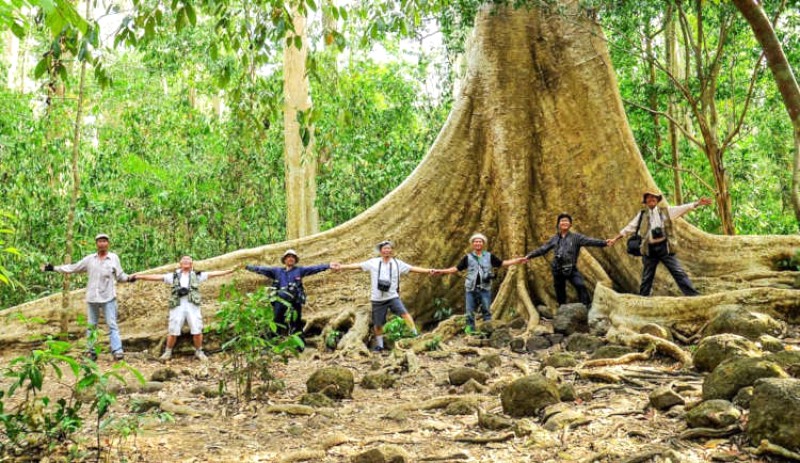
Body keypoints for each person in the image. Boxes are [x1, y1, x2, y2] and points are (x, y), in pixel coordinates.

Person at [42, 233, 135, 361]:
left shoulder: (113, 258)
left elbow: (120, 276)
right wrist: (52, 268)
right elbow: (73, 268)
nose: (102, 243)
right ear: (96, 244)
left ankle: (117, 351)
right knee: (92, 326)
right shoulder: (90, 259)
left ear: (108, 243)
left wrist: (130, 278)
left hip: (108, 297)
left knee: (112, 324)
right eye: (99, 241)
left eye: (104, 241)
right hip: (92, 298)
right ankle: (91, 351)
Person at [336, 240, 433, 352]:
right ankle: (380, 346)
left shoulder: (397, 263)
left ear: (392, 251)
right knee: (378, 324)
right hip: (377, 299)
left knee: (405, 314)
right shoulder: (374, 262)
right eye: (385, 248)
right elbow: (358, 266)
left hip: (392, 297)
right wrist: (341, 266)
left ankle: (415, 335)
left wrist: (428, 271)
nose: (387, 250)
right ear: (381, 251)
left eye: (389, 248)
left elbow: (412, 268)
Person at [133, 256, 235, 361]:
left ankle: (199, 351)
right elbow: (157, 277)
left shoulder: (197, 275)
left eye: (188, 260)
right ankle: (168, 352)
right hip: (178, 305)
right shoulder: (174, 276)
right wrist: (139, 276)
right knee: (173, 329)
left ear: (192, 264)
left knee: (197, 329)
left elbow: (212, 274)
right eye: (184, 260)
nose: (186, 261)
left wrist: (229, 271)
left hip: (192, 305)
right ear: (180, 264)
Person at [610, 191, 712, 296]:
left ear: (657, 200)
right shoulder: (642, 215)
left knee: (678, 272)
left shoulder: (666, 212)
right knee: (647, 277)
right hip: (649, 249)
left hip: (664, 248)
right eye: (648, 198)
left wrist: (697, 203)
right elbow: (629, 228)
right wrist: (614, 239)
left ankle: (694, 296)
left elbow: (682, 208)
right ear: (645, 202)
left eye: (653, 198)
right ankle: (643, 299)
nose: (651, 199)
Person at [431, 233, 526, 332]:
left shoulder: (489, 256)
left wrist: (517, 260)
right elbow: (456, 269)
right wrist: (441, 271)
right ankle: (470, 331)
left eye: (480, 241)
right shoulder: (468, 257)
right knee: (469, 312)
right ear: (472, 244)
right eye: (475, 242)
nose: (478, 243)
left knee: (486, 311)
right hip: (470, 288)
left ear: (483, 243)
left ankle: (487, 330)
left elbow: (502, 263)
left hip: (485, 288)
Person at [523, 214, 612, 308]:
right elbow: (543, 249)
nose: (564, 222)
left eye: (566, 221)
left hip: (571, 268)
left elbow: (590, 241)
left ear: (570, 224)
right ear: (558, 224)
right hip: (557, 269)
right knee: (559, 290)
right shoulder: (555, 238)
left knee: (580, 285)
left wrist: (605, 243)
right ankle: (563, 310)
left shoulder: (576, 237)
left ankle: (586, 307)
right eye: (562, 221)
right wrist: (529, 256)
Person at [245, 249, 335, 339]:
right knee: (277, 321)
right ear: (284, 260)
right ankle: (275, 341)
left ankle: (299, 346)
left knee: (296, 323)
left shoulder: (299, 270)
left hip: (295, 300)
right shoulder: (277, 271)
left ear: (295, 260)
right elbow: (261, 269)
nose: (291, 258)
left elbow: (314, 268)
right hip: (280, 301)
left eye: (293, 257)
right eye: (288, 257)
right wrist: (246, 267)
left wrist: (328, 265)